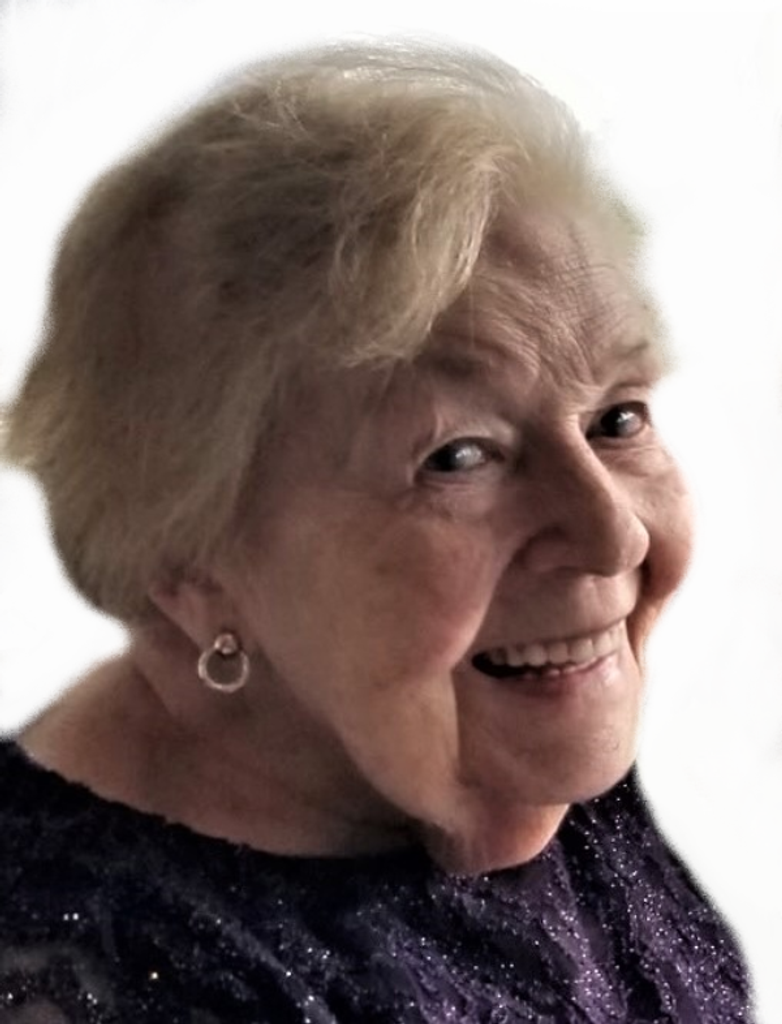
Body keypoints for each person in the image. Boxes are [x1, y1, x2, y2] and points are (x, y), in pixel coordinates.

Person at [0, 39, 753, 1023]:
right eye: (458, 456)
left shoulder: (469, 727)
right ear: (188, 564)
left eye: (617, 417)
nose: (612, 537)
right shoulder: (85, 973)